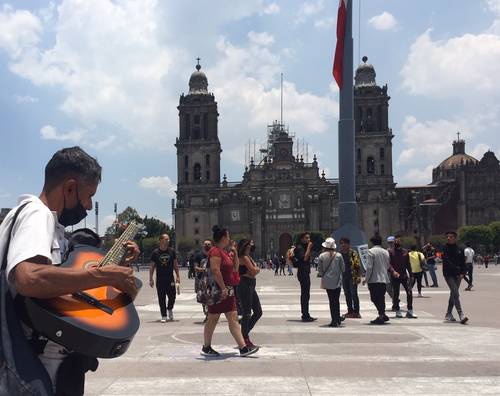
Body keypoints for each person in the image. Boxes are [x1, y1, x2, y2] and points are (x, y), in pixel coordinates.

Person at [0, 146, 140, 395]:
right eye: (88, 195)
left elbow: (58, 287)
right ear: (69, 188)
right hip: (39, 367)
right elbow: (28, 277)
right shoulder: (37, 214)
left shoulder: (43, 223)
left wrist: (116, 272)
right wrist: (103, 275)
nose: (88, 206)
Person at [201, 226, 258, 357]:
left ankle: (243, 348)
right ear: (223, 237)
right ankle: (206, 346)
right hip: (220, 291)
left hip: (227, 290)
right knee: (213, 319)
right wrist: (223, 288)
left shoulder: (224, 252)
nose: (230, 237)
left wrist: (235, 253)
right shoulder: (215, 251)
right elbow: (215, 270)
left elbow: (235, 268)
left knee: (232, 318)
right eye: (228, 235)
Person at [237, 239, 263, 347]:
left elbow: (253, 270)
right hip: (245, 284)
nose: (252, 246)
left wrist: (255, 269)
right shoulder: (243, 258)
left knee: (258, 312)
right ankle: (245, 338)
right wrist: (256, 269)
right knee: (247, 313)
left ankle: (244, 333)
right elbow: (253, 271)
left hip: (251, 285)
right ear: (245, 246)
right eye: (249, 245)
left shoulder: (249, 257)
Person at [149, 234, 180, 322]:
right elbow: (152, 266)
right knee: (161, 297)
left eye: (168, 239)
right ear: (161, 240)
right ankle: (164, 315)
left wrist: (177, 276)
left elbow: (175, 264)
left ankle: (169, 308)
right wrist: (151, 278)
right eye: (166, 239)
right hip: (160, 279)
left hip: (170, 278)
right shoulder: (155, 253)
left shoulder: (172, 251)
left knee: (172, 296)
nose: (168, 240)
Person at [442, 231, 469, 324]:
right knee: (456, 293)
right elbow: (446, 261)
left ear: (455, 238)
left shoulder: (460, 249)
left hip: (458, 275)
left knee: (453, 294)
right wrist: (456, 268)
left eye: (451, 237)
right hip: (448, 274)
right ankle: (461, 314)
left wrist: (463, 273)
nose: (448, 238)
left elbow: (463, 261)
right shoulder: (445, 248)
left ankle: (448, 314)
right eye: (447, 236)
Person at [318, 238, 345, 327]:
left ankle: (334, 320)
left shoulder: (321, 256)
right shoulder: (339, 255)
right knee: (336, 300)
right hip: (337, 281)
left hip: (327, 282)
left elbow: (320, 271)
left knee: (331, 300)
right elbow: (343, 268)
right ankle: (337, 318)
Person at [363, 235, 390, 325]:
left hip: (374, 279)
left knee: (374, 298)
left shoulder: (371, 252)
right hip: (384, 278)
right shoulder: (386, 252)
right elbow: (387, 265)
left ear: (372, 242)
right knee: (381, 298)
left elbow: (369, 267)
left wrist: (366, 279)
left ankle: (381, 315)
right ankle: (382, 314)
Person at [388, 235, 417, 319]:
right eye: (395, 240)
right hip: (395, 276)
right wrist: (393, 272)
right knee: (396, 294)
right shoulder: (390, 252)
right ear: (394, 242)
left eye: (399, 240)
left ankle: (410, 310)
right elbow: (389, 265)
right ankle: (397, 310)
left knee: (409, 292)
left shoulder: (405, 252)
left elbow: (408, 264)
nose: (397, 241)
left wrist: (411, 275)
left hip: (404, 275)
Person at [293, 232, 316, 322]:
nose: (309, 239)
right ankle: (305, 315)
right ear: (302, 239)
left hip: (305, 272)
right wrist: (309, 247)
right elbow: (304, 258)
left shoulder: (303, 247)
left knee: (306, 294)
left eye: (309, 238)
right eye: (306, 238)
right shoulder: (299, 248)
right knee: (305, 295)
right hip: (302, 272)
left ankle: (306, 314)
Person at [339, 237, 362, 319]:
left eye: (345, 243)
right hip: (344, 277)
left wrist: (359, 276)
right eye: (341, 243)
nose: (343, 245)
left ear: (348, 244)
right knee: (347, 294)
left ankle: (356, 312)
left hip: (353, 276)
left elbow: (357, 265)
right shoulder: (340, 254)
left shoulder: (353, 253)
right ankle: (350, 311)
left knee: (354, 294)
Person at [194, 239, 212, 323]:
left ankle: (211, 314)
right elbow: (196, 267)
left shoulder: (214, 255)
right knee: (203, 298)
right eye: (205, 244)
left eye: (209, 244)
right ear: (203, 246)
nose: (207, 246)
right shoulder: (198, 256)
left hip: (212, 281)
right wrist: (203, 269)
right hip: (202, 280)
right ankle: (207, 314)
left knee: (212, 297)